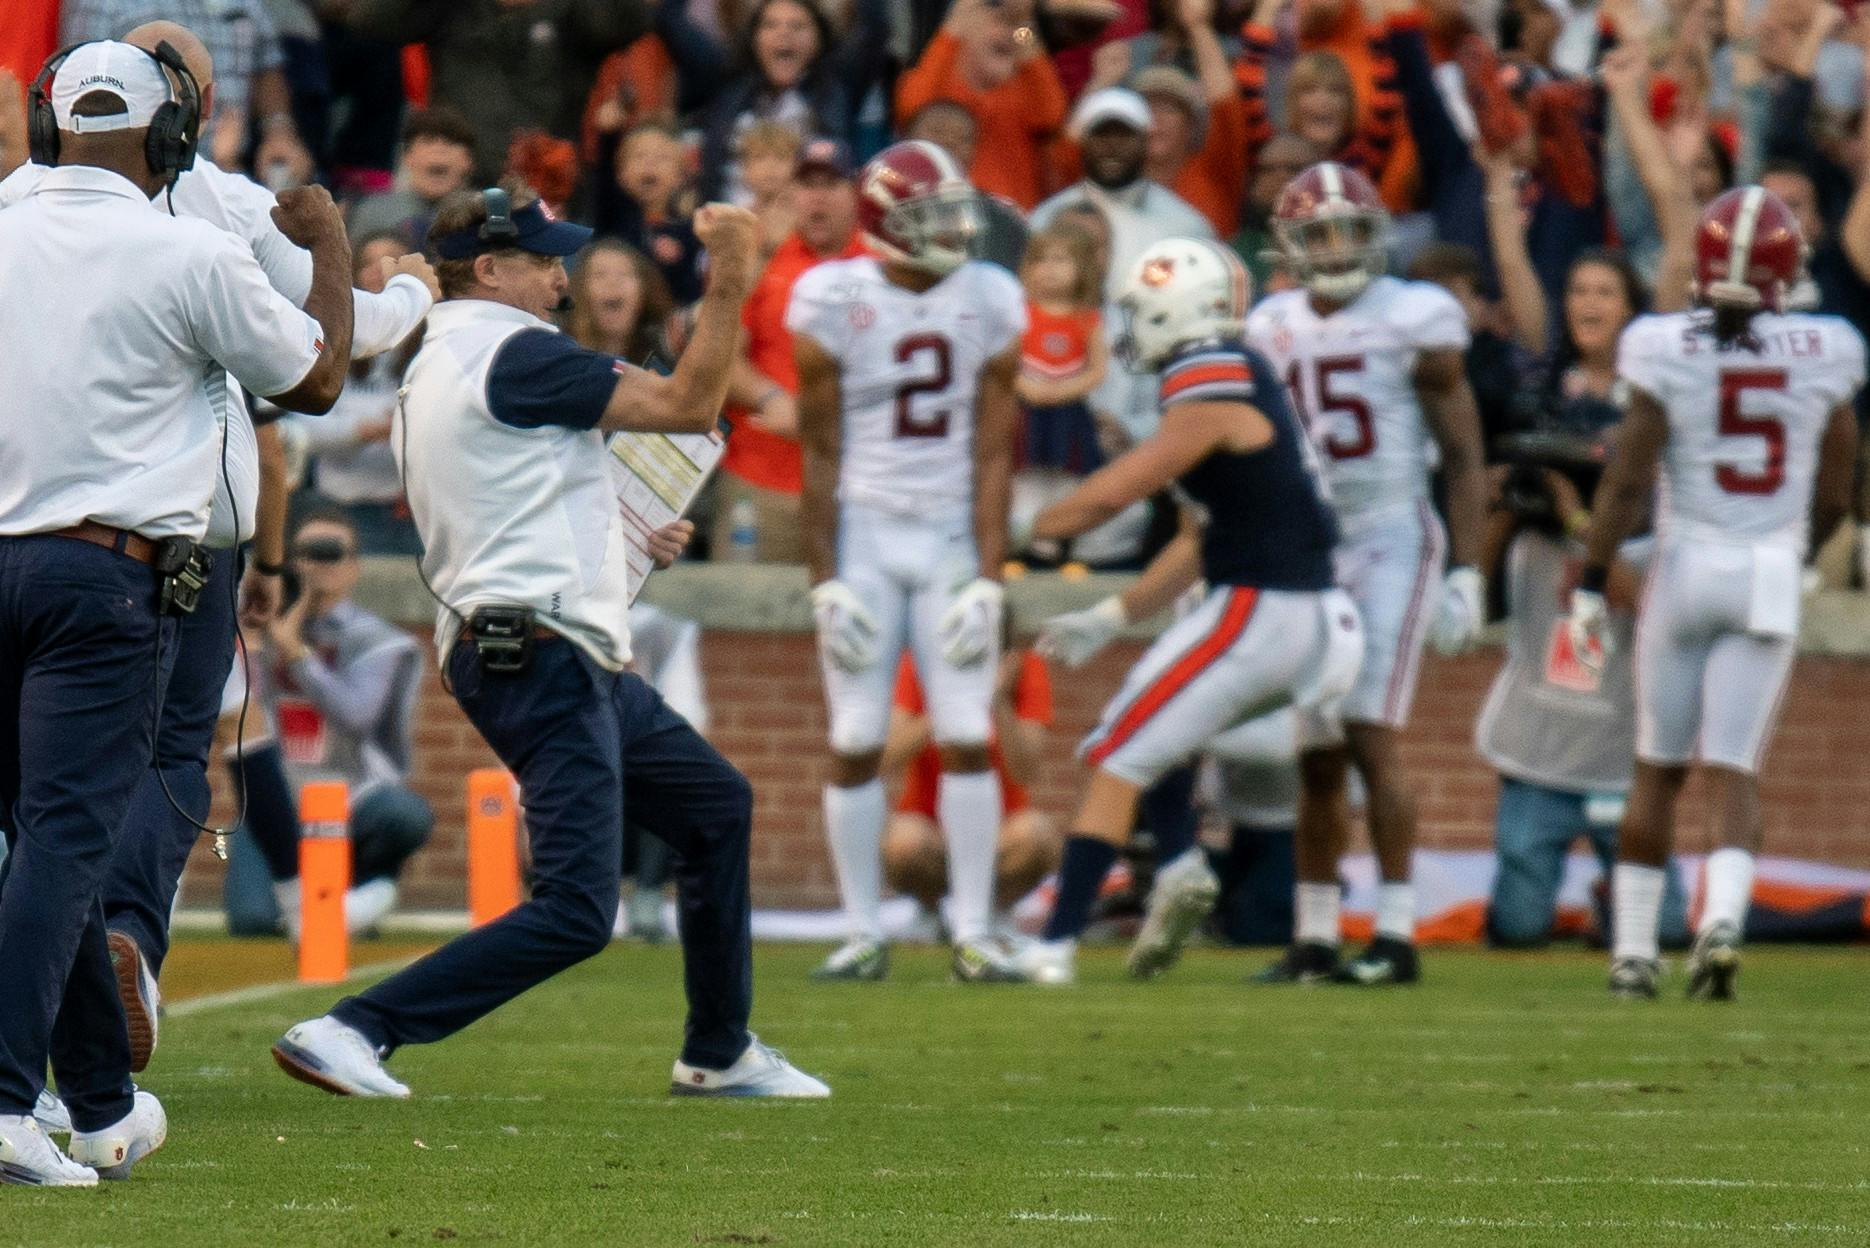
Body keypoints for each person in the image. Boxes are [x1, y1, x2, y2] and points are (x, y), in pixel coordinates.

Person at [272, 187, 829, 1100]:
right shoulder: (514, 350)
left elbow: (511, 486)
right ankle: (353, 1026)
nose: (562, 277)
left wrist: (617, 527)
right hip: (539, 649)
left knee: (716, 807)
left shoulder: (446, 359)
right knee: (576, 909)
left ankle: (719, 1049)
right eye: (542, 260)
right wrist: (730, 278)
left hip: (540, 641)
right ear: (488, 270)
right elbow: (691, 404)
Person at [0, 21, 439, 1080]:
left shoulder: (10, 218)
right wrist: (390, 278)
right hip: (145, 553)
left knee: (37, 819)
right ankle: (62, 1042)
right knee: (143, 777)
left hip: (15, 540)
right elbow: (326, 364)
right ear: (180, 125)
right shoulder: (210, 225)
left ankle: (91, 1095)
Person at [1010, 237, 1363, 985]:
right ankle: (1177, 865)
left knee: (1115, 753)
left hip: (1267, 613)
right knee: (1148, 723)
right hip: (1290, 609)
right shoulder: (1234, 373)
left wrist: (1019, 523)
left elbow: (1114, 491)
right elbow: (1203, 535)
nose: (1130, 326)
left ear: (1179, 307)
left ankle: (1054, 946)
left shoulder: (1212, 372)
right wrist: (1115, 613)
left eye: (1139, 311)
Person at [1569, 186, 1864, 1001]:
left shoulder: (1664, 343)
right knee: (1733, 770)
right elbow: (1841, 484)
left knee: (1657, 766)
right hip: (1767, 568)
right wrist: (1797, 547)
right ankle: (1722, 922)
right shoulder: (1827, 346)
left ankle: (1632, 954)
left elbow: (1628, 478)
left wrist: (1593, 578)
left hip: (1685, 566)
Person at [1244, 162, 1489, 987]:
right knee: (1313, 752)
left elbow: (1461, 452)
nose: (1340, 248)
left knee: (1371, 735)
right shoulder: (1272, 324)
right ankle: (1315, 937)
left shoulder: (1413, 316)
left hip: (1390, 535)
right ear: (1292, 246)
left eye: (1353, 230)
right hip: (1311, 550)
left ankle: (1395, 934)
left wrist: (1467, 568)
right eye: (1321, 234)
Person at [793, 140, 1028, 983]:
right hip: (865, 530)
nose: (954, 231)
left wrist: (992, 583)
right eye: (931, 216)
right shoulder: (832, 295)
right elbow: (817, 452)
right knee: (855, 735)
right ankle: (862, 930)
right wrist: (822, 582)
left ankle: (975, 928)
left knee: (968, 730)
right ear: (886, 221)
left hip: (950, 537)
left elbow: (998, 457)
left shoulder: (992, 295)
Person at [235, 508, 435, 937]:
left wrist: (298, 657)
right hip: (278, 798)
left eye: (332, 553)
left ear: (354, 567)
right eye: (307, 552)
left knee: (404, 815)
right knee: (252, 923)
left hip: (351, 797)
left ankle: (363, 888)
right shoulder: (260, 628)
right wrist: (257, 641)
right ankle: (345, 906)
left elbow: (356, 716)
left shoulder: (381, 641)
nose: (320, 564)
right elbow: (236, 707)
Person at [718, 137, 867, 562]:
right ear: (791, 194)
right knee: (744, 619)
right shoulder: (760, 260)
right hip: (759, 477)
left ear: (857, 194)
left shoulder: (880, 265)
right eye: (806, 185)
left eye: (832, 184)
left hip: (854, 486)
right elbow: (718, 357)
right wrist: (770, 397)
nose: (817, 196)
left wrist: (815, 416)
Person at [880, 619, 1059, 938]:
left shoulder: (1027, 668)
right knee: (900, 842)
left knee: (1038, 836)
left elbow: (1027, 770)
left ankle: (994, 912)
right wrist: (949, 705)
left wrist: (998, 700)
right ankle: (930, 912)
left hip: (1000, 830)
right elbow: (889, 756)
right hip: (932, 830)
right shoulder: (918, 665)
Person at [340, 0, 652, 182]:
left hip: (546, 188)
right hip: (458, 185)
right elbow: (368, 18)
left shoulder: (572, 11)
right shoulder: (453, 8)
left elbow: (627, 23)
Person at [657, 0, 891, 205]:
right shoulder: (726, 85)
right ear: (754, 39)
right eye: (770, 25)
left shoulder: (838, 87)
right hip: (730, 231)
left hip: (805, 241)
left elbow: (874, 26)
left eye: (798, 26)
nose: (784, 33)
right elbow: (671, 22)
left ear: (819, 38)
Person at [279, 232, 425, 557]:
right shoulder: (329, 341)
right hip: (339, 509)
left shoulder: (432, 347)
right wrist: (368, 430)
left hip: (411, 513)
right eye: (367, 262)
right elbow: (302, 431)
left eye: (390, 261)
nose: (377, 270)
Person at [893, 0, 1069, 213]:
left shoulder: (1022, 93)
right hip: (944, 219)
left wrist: (1024, 22)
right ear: (965, 33)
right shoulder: (941, 87)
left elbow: (1052, 115)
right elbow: (912, 111)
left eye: (1012, 28)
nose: (1008, 34)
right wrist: (957, 23)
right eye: (998, 23)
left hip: (1010, 225)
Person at [346, 107, 478, 247]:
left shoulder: (484, 215)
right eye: (428, 141)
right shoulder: (372, 213)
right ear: (407, 156)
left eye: (451, 142)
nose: (440, 149)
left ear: (468, 160)